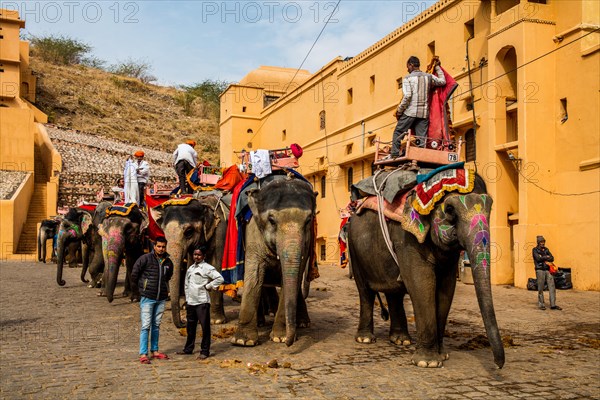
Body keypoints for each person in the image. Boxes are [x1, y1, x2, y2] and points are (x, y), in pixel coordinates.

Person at [387, 56, 446, 159]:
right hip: (423, 114)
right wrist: (437, 68)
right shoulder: (429, 77)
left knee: (398, 132)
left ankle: (395, 154)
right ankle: (420, 157)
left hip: (410, 112)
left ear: (411, 65)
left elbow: (407, 96)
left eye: (408, 67)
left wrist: (400, 110)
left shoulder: (407, 78)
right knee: (421, 138)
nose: (407, 69)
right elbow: (442, 81)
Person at [131, 236, 174, 364]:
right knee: (145, 326)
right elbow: (134, 274)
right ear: (154, 246)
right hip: (147, 298)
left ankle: (155, 351)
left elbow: (168, 277)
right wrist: (140, 291)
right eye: (158, 246)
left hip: (161, 299)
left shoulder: (168, 262)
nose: (161, 249)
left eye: (163, 247)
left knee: (156, 325)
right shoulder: (145, 259)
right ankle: (143, 353)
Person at [177, 247, 224, 359]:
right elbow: (187, 284)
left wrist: (208, 286)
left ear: (203, 256)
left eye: (199, 255)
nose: (196, 257)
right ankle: (188, 348)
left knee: (205, 327)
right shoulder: (191, 268)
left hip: (202, 302)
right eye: (195, 254)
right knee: (190, 327)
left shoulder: (207, 268)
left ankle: (204, 351)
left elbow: (220, 278)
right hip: (191, 302)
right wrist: (187, 299)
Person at [532, 235, 562, 311]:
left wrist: (543, 256)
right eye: (541, 242)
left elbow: (552, 258)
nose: (543, 243)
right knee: (541, 287)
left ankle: (553, 304)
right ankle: (541, 304)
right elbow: (538, 258)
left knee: (552, 287)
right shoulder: (535, 250)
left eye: (543, 242)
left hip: (548, 270)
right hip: (540, 270)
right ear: (538, 242)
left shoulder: (546, 249)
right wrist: (546, 257)